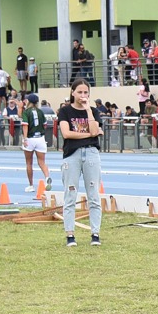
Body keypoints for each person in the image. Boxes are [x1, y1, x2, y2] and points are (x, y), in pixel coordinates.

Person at [57, 80, 103, 247]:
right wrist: (91, 134)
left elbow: (93, 130)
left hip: (91, 154)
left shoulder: (94, 112)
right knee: (70, 195)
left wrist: (88, 110)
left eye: (86, 92)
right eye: (80, 92)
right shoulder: (65, 111)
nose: (83, 96)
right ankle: (70, 234)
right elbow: (66, 133)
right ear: (73, 92)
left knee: (94, 195)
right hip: (72, 155)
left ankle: (95, 233)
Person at [19, 93, 52, 192]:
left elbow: (25, 125)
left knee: (29, 163)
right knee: (42, 162)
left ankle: (31, 185)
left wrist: (25, 139)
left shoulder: (26, 112)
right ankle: (47, 178)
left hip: (30, 138)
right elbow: (45, 125)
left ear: (28, 101)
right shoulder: (40, 112)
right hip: (40, 138)